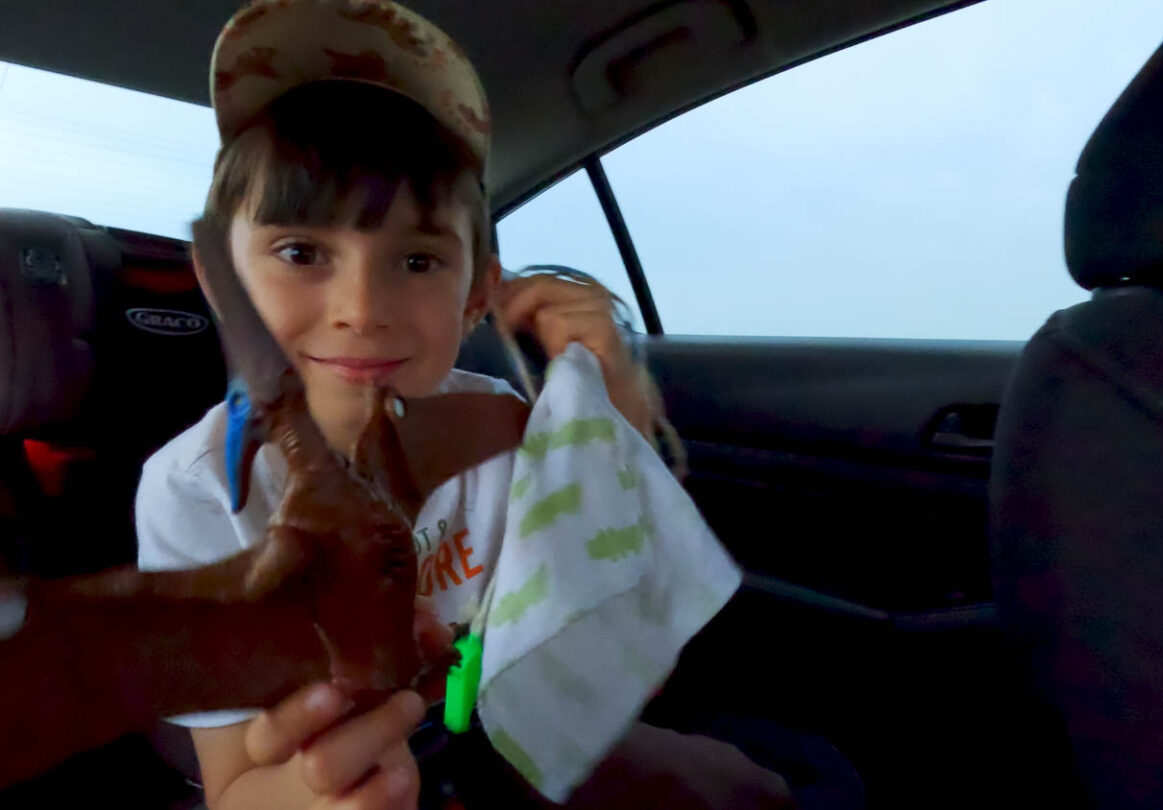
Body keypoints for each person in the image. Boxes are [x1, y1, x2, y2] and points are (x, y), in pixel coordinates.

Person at [136, 2, 794, 807]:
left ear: (476, 294)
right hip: (328, 762)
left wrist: (617, 411)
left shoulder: (501, 427)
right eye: (301, 252)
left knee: (746, 788)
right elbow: (235, 783)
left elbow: (604, 614)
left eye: (416, 259)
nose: (361, 306)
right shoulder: (196, 491)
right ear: (219, 280)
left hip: (497, 726)